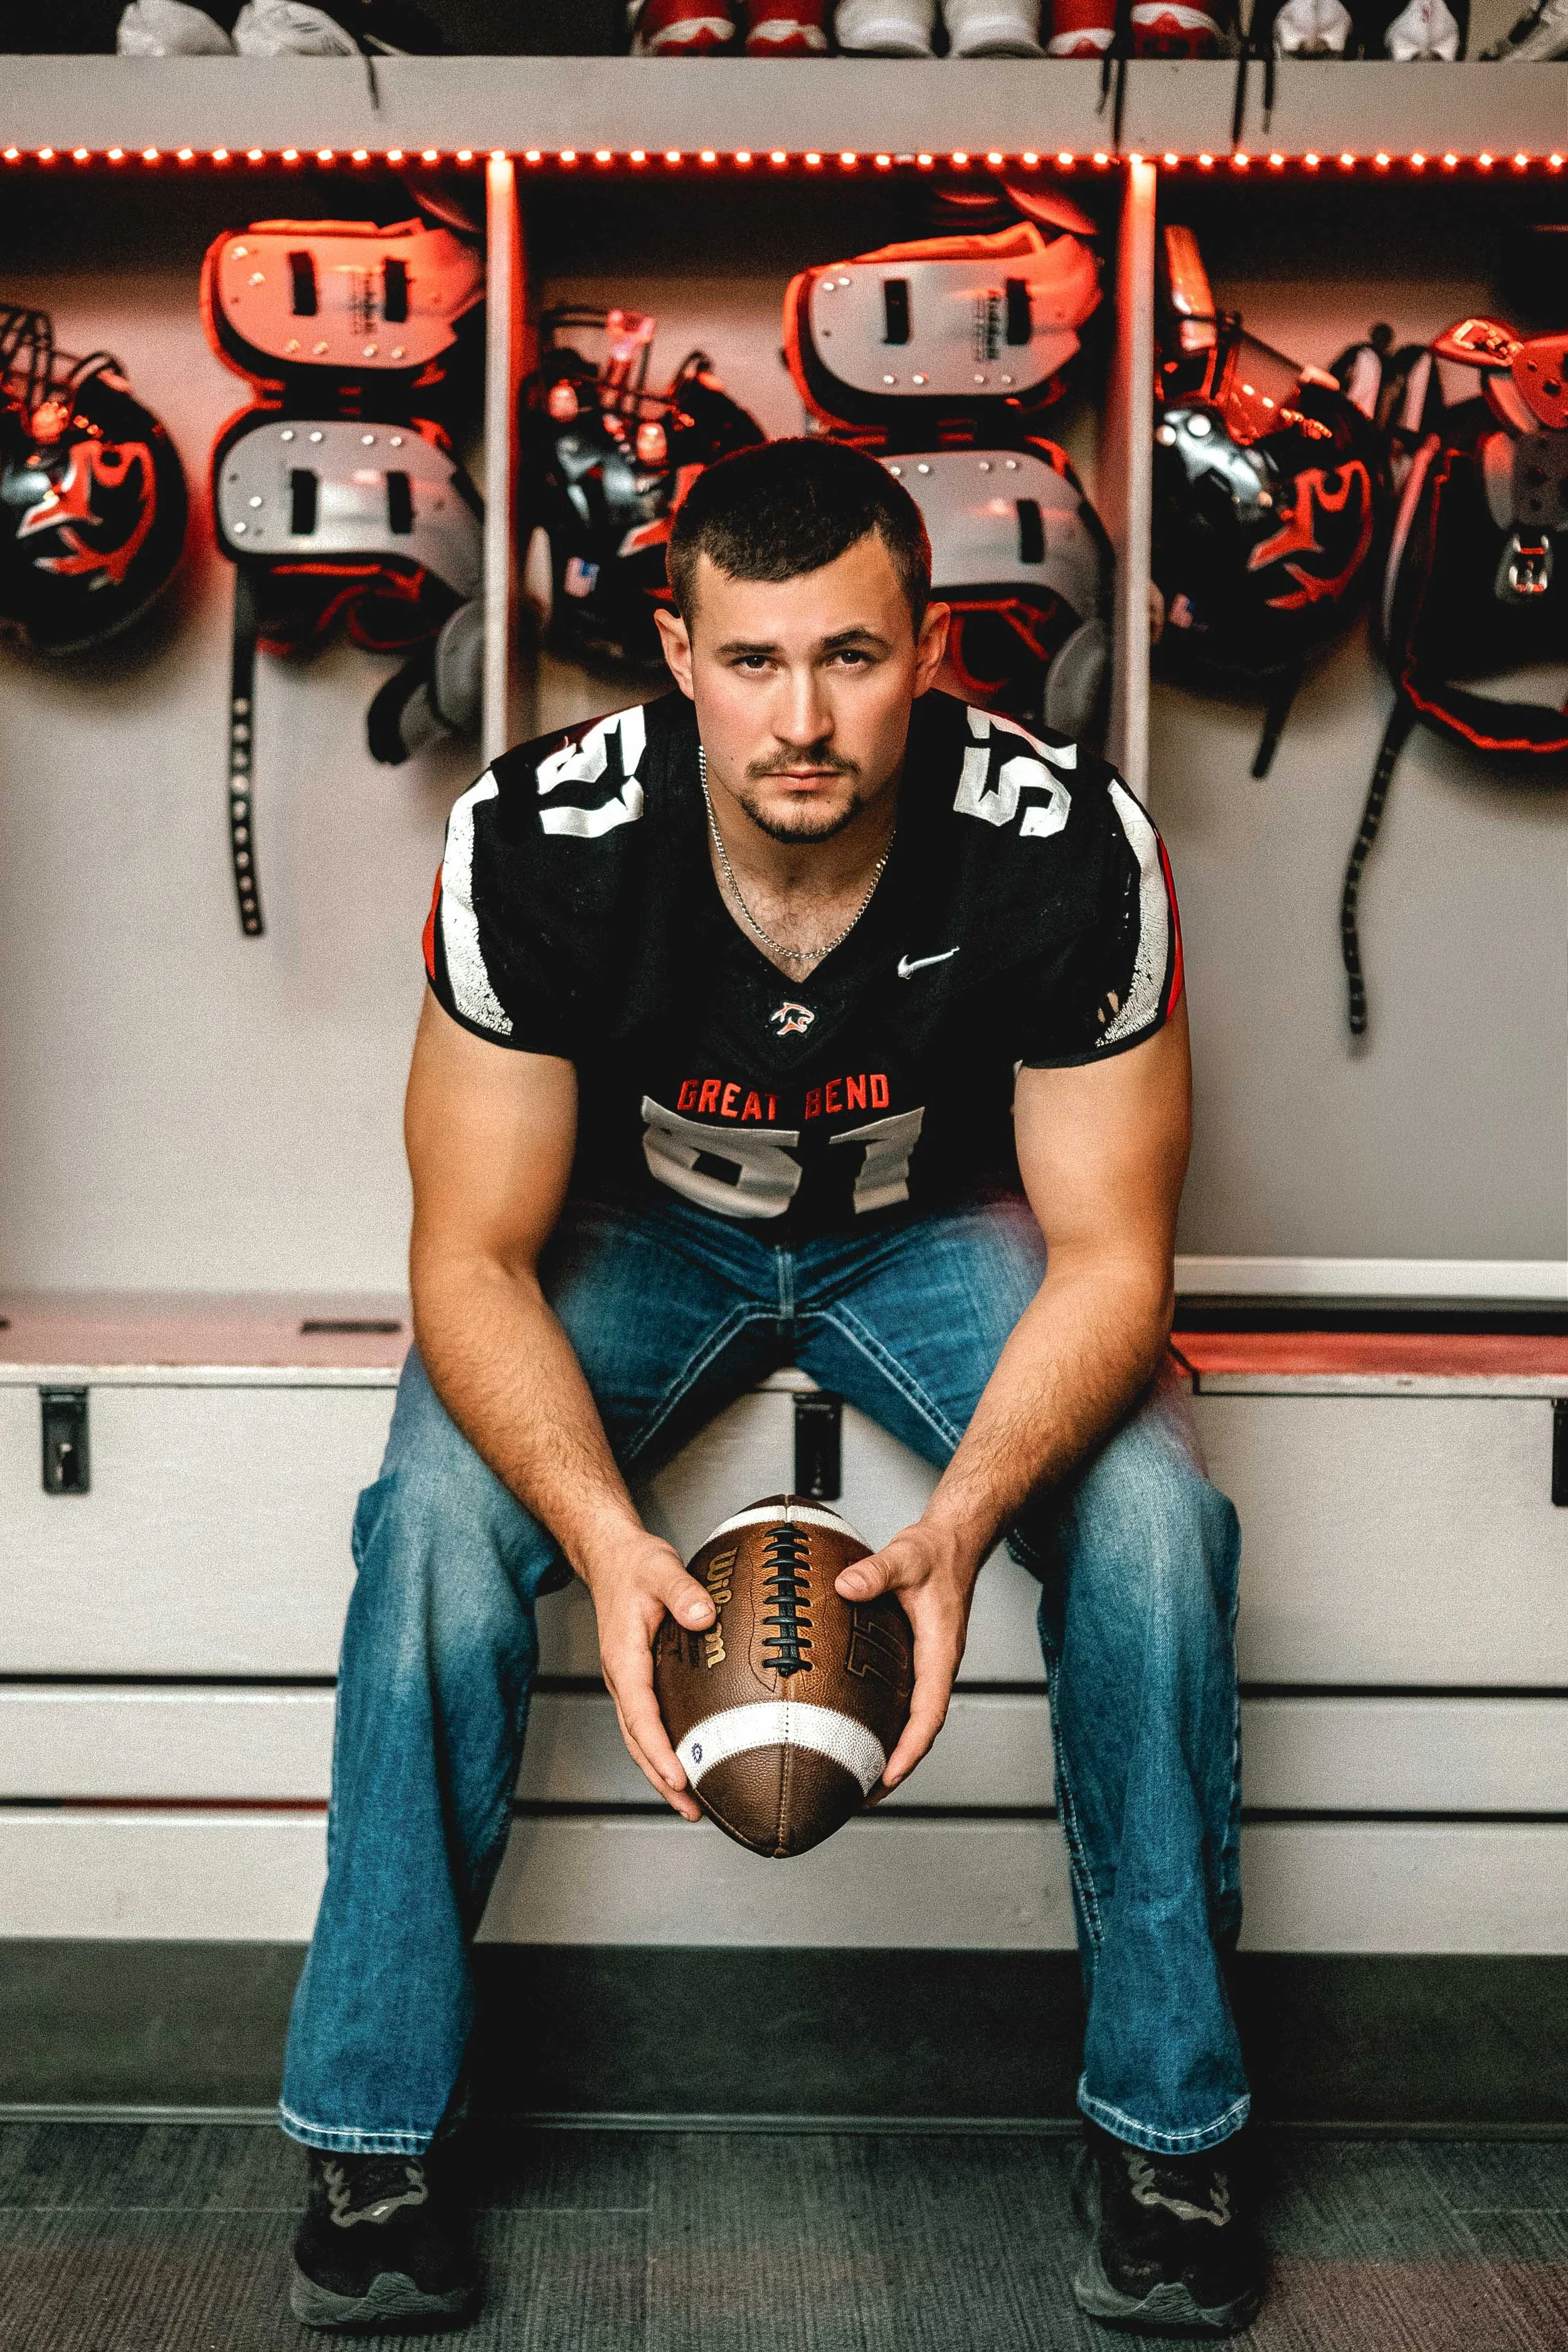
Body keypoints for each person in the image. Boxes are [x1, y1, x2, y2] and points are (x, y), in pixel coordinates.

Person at [278, 436, 1260, 2336]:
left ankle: (1168, 2128)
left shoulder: (1067, 840)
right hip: (640, 1240)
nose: (802, 716)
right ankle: (371, 2132)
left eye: (852, 656)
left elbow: (1117, 1256)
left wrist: (968, 1522)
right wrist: (605, 1535)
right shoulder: (533, 844)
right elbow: (468, 1257)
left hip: (936, 1231)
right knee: (425, 1529)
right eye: (752, 661)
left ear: (932, 652)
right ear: (674, 648)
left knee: (1150, 1516)